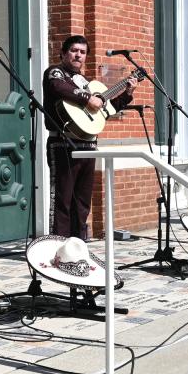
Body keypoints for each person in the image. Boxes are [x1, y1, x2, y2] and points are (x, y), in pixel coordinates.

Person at [43, 35, 133, 239]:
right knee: (62, 199)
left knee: (82, 201)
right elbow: (59, 88)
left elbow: (105, 110)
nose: (78, 55)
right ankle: (59, 245)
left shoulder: (86, 82)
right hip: (63, 143)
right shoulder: (55, 73)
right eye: (74, 50)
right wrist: (87, 98)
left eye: (82, 52)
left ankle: (77, 244)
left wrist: (127, 94)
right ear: (64, 53)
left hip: (88, 144)